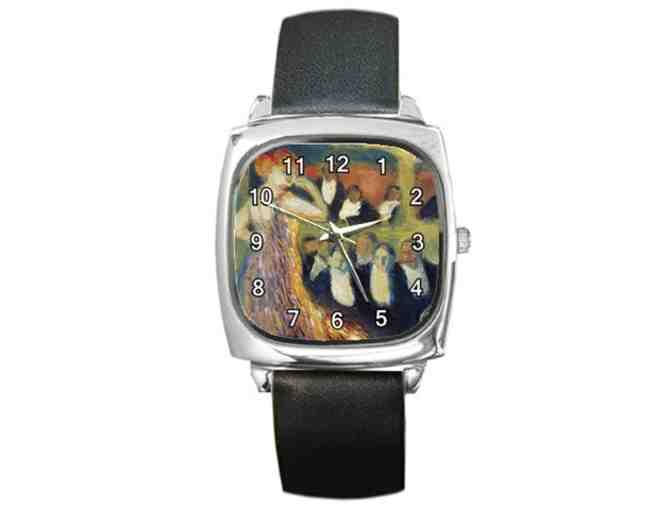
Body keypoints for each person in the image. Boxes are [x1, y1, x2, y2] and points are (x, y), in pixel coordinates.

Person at [234, 150, 365, 340]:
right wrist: (310, 188)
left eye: (294, 173)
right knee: (284, 301)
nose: (290, 177)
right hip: (283, 263)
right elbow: (323, 215)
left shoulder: (255, 199)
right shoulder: (287, 200)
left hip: (259, 262)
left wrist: (257, 239)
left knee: (267, 304)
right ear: (268, 170)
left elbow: (237, 228)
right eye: (284, 171)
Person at [395, 239, 438, 328]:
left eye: (410, 252)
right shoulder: (393, 272)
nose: (407, 255)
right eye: (404, 252)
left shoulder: (432, 269)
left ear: (419, 253)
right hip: (407, 319)